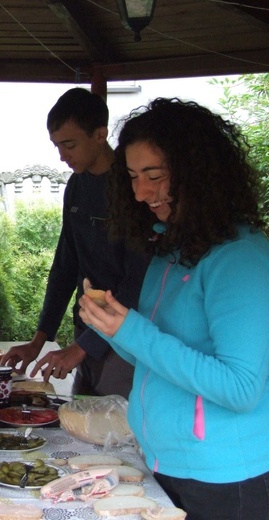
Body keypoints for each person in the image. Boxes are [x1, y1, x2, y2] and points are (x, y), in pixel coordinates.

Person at [79, 98, 269, 520]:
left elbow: (240, 387)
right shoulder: (173, 248)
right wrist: (114, 328)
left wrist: (133, 331)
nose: (141, 192)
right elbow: (154, 354)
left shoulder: (240, 259)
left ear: (198, 174)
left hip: (224, 478)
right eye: (131, 177)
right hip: (168, 465)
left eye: (155, 176)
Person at [1, 88, 149, 398]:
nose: (62, 156)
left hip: (127, 338)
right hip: (87, 329)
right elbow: (65, 267)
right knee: (81, 420)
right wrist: (38, 341)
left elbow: (139, 282)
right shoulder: (77, 186)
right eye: (57, 146)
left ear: (99, 134)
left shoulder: (135, 189)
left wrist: (81, 349)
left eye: (69, 145)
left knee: (116, 430)